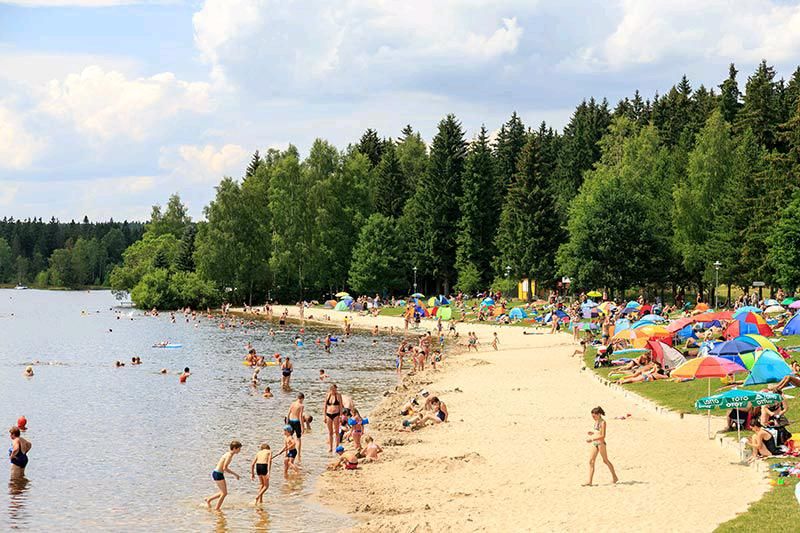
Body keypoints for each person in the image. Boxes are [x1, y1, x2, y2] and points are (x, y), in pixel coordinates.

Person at [584, 407, 618, 486]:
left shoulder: (603, 422)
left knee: (605, 460)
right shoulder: (596, 421)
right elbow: (598, 432)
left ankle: (615, 477)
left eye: (594, 416)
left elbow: (603, 436)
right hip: (595, 443)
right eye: (592, 416)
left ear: (599, 414)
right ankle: (589, 481)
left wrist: (592, 439)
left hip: (601, 443)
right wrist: (592, 433)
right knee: (591, 461)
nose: (593, 417)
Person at [205, 440, 242, 510]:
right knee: (224, 493)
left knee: (223, 492)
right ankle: (217, 509)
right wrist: (235, 474)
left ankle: (209, 500)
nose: (239, 451)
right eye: (239, 449)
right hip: (218, 474)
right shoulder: (229, 455)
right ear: (234, 448)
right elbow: (225, 468)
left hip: (217, 473)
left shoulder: (228, 454)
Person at [323, 384, 343, 452]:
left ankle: (337, 447)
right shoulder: (328, 395)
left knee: (337, 432)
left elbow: (340, 406)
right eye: (332, 389)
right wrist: (324, 416)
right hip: (328, 414)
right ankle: (331, 448)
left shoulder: (338, 395)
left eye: (335, 389)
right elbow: (325, 406)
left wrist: (340, 416)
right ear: (330, 389)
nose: (334, 390)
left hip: (336, 414)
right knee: (330, 432)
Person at [286, 393, 305, 462]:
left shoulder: (293, 403)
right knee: (298, 438)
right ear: (302, 398)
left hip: (291, 420)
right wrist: (303, 426)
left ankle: (288, 451)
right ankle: (299, 454)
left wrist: (287, 423)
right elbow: (300, 417)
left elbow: (288, 413)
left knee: (289, 437)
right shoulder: (301, 406)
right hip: (296, 421)